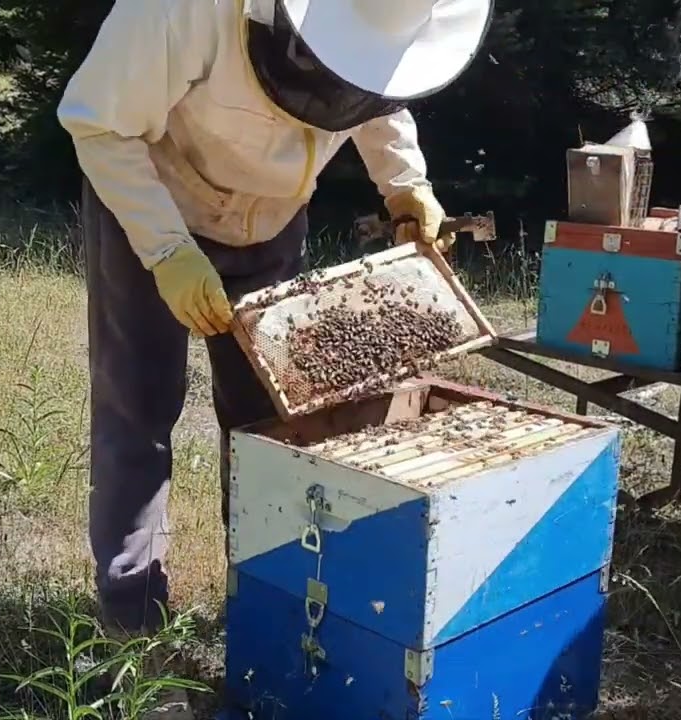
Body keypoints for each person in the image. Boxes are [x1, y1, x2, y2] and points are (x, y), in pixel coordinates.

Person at [57, 0, 492, 641]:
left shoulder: (377, 45)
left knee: (269, 419)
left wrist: (406, 184)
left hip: (272, 222)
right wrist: (169, 252)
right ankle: (132, 620)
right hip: (152, 205)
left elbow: (378, 92)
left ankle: (266, 592)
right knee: (138, 410)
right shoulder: (181, 10)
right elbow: (97, 123)